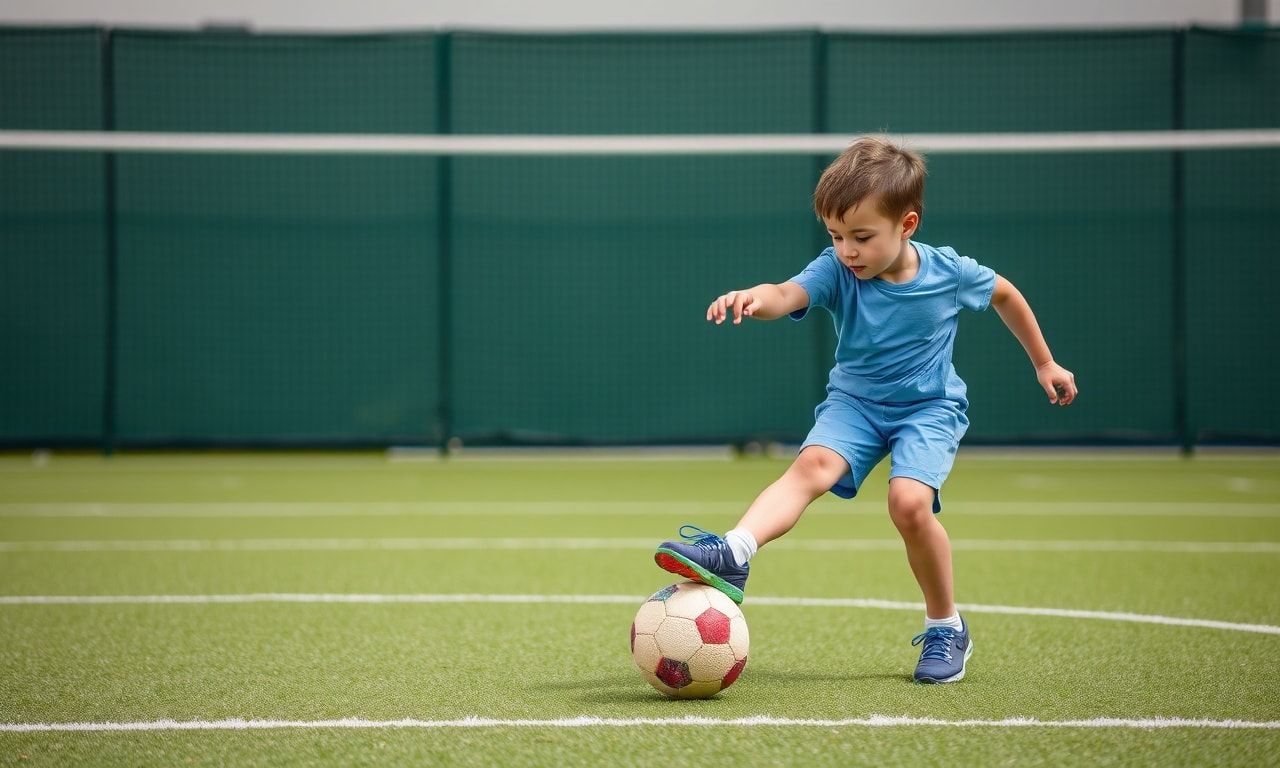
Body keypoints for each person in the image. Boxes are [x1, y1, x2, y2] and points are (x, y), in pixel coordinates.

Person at [654, 135, 1077, 684]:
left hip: (928, 409)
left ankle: (946, 625)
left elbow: (1005, 295)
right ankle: (735, 551)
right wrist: (756, 300)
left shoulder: (949, 272)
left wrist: (1044, 363)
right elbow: (786, 293)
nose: (847, 250)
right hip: (854, 404)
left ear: (907, 225)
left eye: (861, 237)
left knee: (908, 504)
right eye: (835, 236)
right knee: (811, 468)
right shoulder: (835, 269)